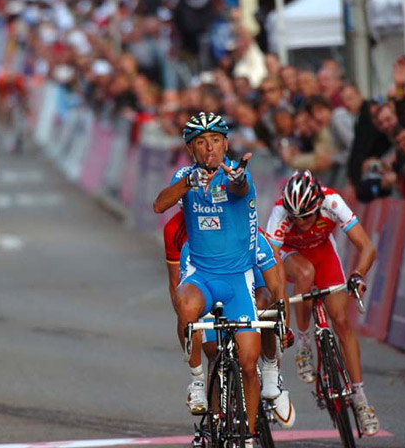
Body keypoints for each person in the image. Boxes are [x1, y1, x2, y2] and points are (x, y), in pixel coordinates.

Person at [153, 112, 263, 443]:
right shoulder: (185, 175)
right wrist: (187, 183)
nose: (209, 148)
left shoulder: (236, 173)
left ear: (225, 144)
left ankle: (248, 436)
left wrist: (239, 178)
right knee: (183, 303)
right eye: (201, 142)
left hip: (236, 280)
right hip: (202, 276)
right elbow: (160, 205)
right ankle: (198, 380)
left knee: (247, 364)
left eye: (215, 140)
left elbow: (239, 186)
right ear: (191, 150)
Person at [266, 170, 380, 436]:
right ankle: (305, 343)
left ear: (317, 205)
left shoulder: (332, 202)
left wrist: (357, 275)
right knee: (305, 275)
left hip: (322, 252)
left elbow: (367, 247)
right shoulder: (280, 212)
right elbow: (271, 264)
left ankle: (361, 400)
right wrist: (280, 302)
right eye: (296, 218)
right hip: (290, 255)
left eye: (306, 216)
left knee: (341, 322)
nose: (301, 222)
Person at [165, 209, 296, 428]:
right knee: (214, 353)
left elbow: (277, 286)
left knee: (264, 304)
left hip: (250, 271)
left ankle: (272, 372)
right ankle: (215, 420)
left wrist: (283, 326)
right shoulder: (188, 241)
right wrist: (189, 325)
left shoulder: (252, 233)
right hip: (210, 278)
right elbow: (180, 287)